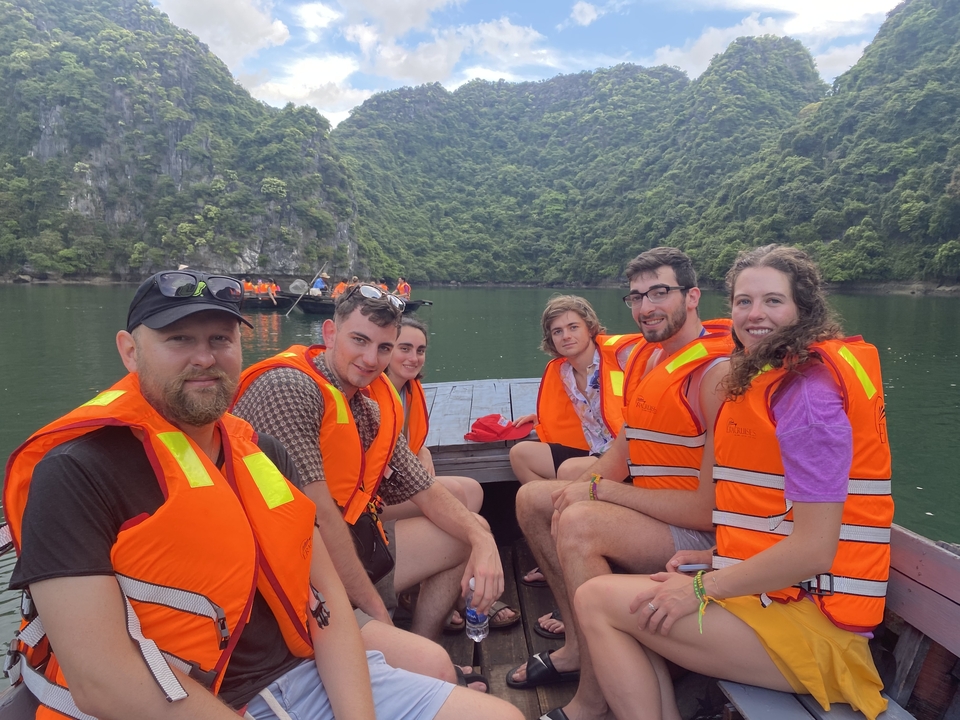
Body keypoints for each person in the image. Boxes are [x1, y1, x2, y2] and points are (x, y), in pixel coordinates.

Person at [3, 270, 522, 720]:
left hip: (297, 672)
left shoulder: (262, 452)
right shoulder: (75, 472)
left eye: (221, 339)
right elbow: (103, 680)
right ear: (129, 350)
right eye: (179, 340)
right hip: (198, 698)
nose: (204, 357)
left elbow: (328, 605)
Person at [576, 244, 893, 720]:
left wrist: (703, 587)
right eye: (743, 301)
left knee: (597, 600)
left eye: (772, 301)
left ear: (803, 308)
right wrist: (711, 558)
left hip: (822, 633)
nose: (754, 314)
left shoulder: (810, 400)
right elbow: (779, 513)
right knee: (632, 600)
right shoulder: (779, 377)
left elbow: (814, 550)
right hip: (783, 600)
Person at [232, 284, 519, 679]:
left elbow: (425, 488)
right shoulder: (289, 390)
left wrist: (483, 540)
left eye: (384, 348)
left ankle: (419, 646)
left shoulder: (364, 405)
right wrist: (378, 615)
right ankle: (408, 660)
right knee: (434, 670)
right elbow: (321, 522)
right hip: (294, 579)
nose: (371, 359)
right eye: (359, 341)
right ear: (330, 334)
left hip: (353, 550)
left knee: (465, 532)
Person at [508, 247, 733, 720]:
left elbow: (706, 511)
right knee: (534, 500)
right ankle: (576, 644)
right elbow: (622, 451)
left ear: (692, 297)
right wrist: (584, 484)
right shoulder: (650, 361)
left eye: (660, 292)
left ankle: (593, 696)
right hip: (653, 512)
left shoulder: (715, 375)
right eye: (636, 296)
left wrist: (598, 492)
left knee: (581, 524)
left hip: (702, 536)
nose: (647, 306)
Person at [510, 295, 641, 593]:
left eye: (573, 327)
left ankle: (575, 547)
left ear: (590, 327)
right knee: (522, 454)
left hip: (629, 456)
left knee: (569, 469)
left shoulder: (622, 358)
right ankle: (556, 545)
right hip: (593, 452)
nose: (566, 336)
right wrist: (539, 419)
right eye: (557, 331)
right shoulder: (563, 371)